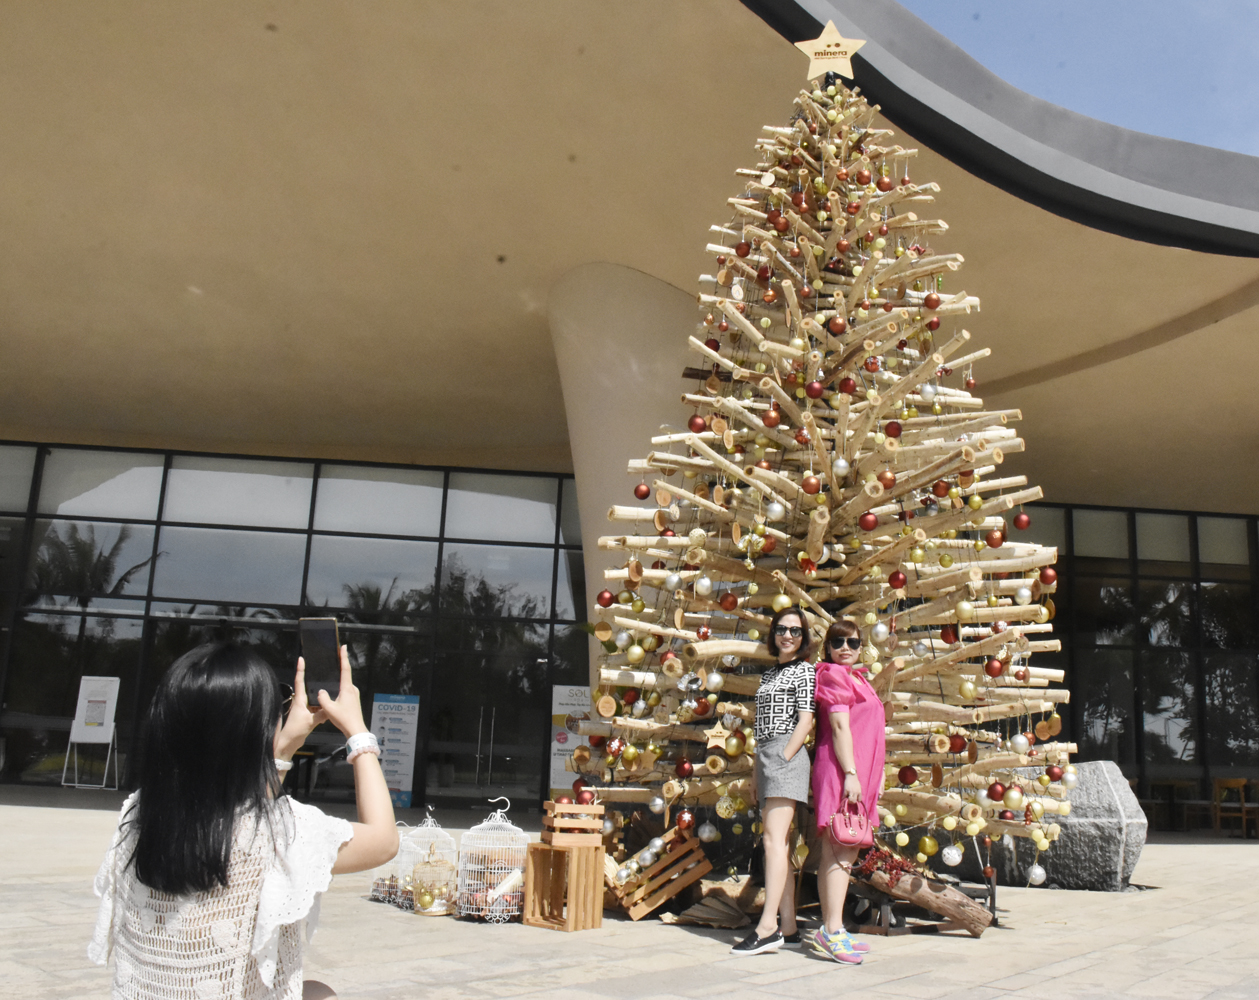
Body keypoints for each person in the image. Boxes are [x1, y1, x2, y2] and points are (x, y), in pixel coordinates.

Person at [89, 642, 400, 1000]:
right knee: (322, 995)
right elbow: (384, 840)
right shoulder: (280, 830)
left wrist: (283, 750)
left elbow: (236, 814)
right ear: (254, 733)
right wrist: (357, 732)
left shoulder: (138, 814)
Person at [731, 605, 815, 955]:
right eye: (782, 629)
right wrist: (756, 770)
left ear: (803, 637)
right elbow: (758, 726)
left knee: (772, 841)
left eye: (795, 631)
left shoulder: (805, 671)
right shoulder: (768, 676)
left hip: (786, 754)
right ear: (773, 633)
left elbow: (806, 720)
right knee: (777, 844)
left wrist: (783, 757)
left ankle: (768, 928)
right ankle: (789, 926)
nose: (788, 636)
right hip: (765, 755)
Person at [810, 619, 886, 964]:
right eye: (837, 641)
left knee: (845, 850)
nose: (845, 647)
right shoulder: (833, 675)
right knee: (840, 849)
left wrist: (876, 776)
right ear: (827, 647)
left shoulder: (858, 678)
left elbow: (870, 732)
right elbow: (840, 726)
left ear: (860, 646)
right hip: (843, 770)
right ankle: (830, 930)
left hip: (859, 773)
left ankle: (835, 929)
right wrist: (852, 774)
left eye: (852, 642)